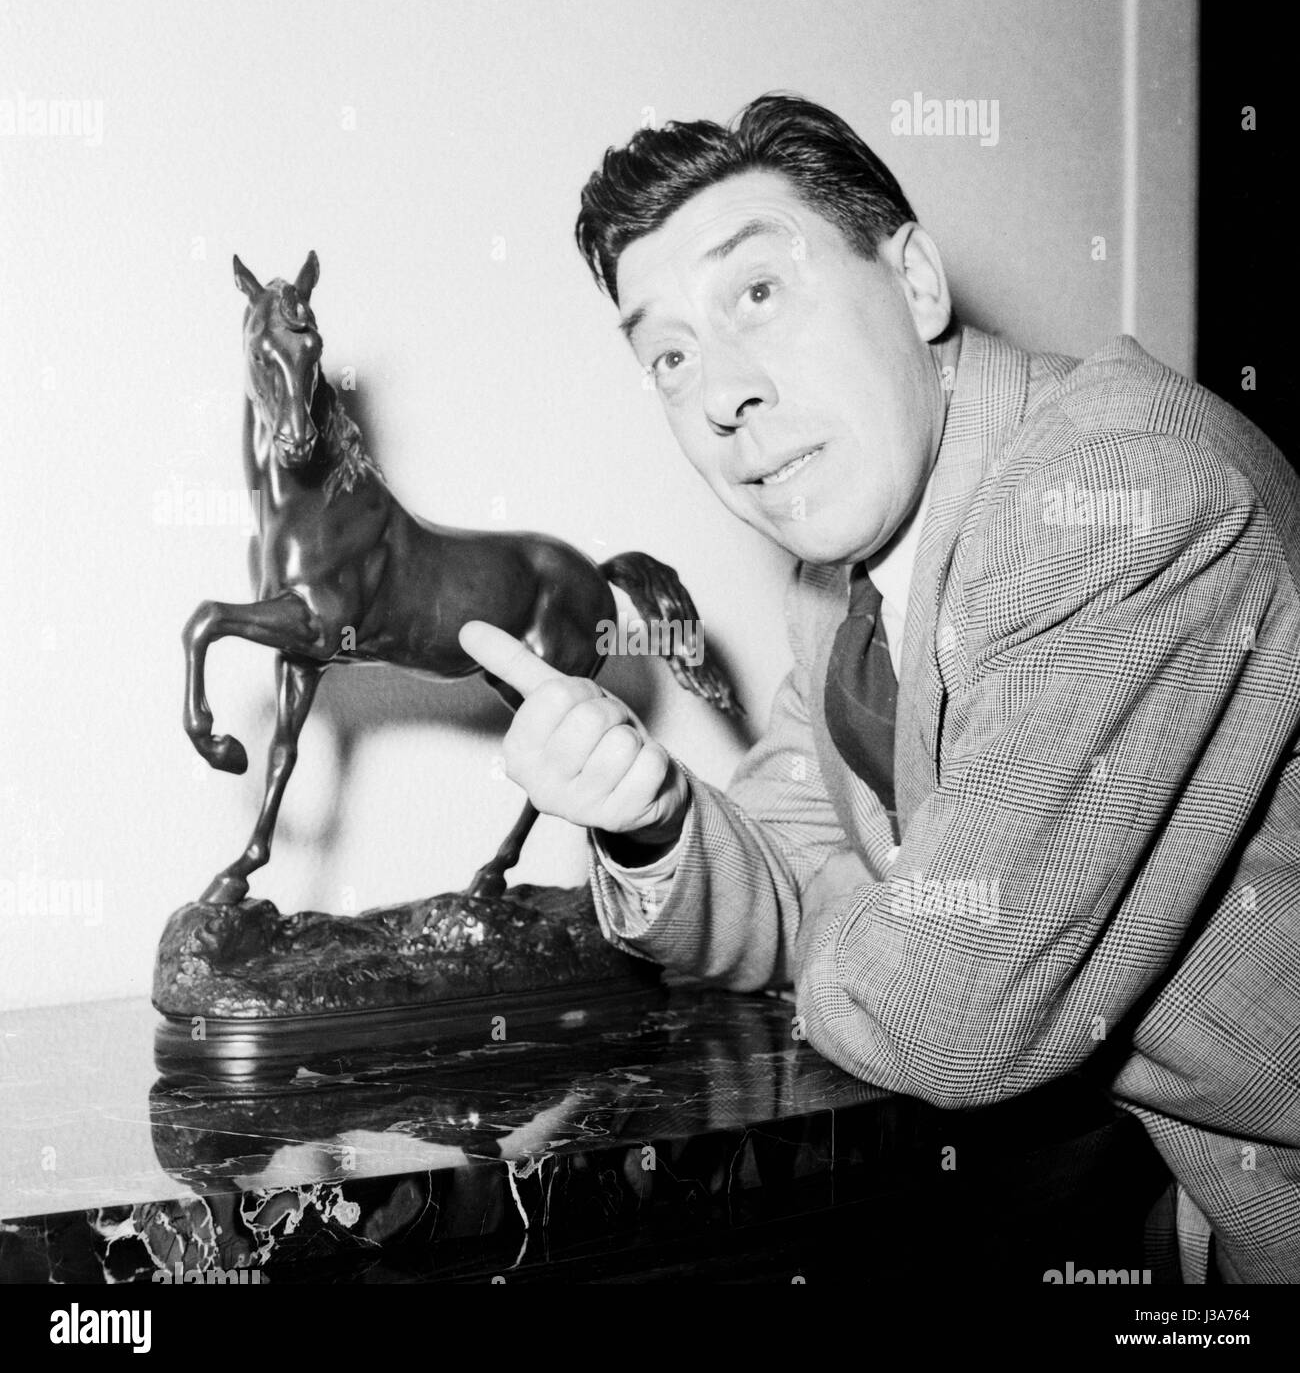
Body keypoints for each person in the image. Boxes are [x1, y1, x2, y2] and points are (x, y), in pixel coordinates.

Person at [459, 93, 1300, 1283]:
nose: (719, 396)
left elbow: (952, 1021)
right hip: (1181, 1209)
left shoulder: (1119, 496)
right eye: (670, 355)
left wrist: (860, 913)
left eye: (758, 294)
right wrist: (651, 815)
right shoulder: (841, 581)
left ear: (913, 283)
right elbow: (783, 866)